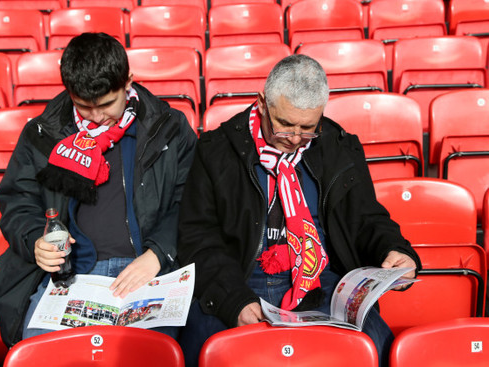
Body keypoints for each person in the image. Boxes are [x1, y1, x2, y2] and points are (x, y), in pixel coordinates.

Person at [177, 54, 421, 367]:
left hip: (322, 280)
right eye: (285, 125)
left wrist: (394, 249)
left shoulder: (338, 147)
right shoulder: (216, 151)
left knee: (381, 349)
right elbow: (198, 238)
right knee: (204, 352)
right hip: (238, 276)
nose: (294, 139)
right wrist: (233, 299)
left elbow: (366, 219)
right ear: (263, 103)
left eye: (308, 128)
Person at [0, 32, 197, 347]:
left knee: (149, 352)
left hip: (148, 266)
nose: (97, 117)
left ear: (128, 82)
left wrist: (158, 253)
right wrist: (36, 240)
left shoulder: (170, 128)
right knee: (38, 349)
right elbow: (18, 201)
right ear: (69, 91)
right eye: (84, 107)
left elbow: (191, 200)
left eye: (107, 104)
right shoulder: (43, 133)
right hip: (70, 272)